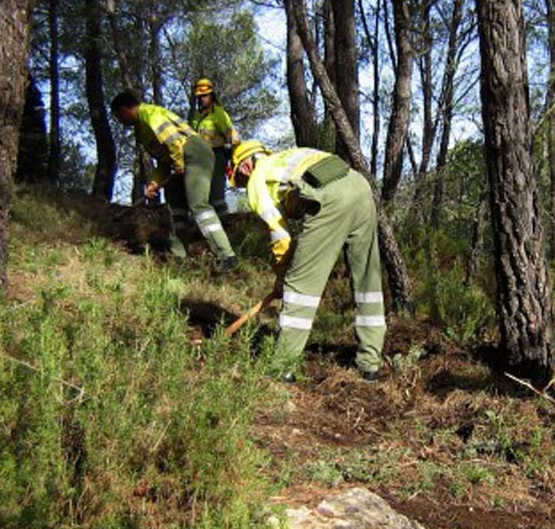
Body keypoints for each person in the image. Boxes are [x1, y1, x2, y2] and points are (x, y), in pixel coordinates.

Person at [229, 140, 385, 381]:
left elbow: (280, 236)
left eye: (240, 180)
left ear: (246, 167)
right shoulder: (289, 157)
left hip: (330, 198)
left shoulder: (258, 179)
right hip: (361, 187)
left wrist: (282, 277)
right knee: (368, 282)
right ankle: (370, 364)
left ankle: (282, 368)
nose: (243, 186)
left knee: (300, 287)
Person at [110, 90, 238, 271]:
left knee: (198, 204)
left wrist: (179, 163)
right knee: (176, 208)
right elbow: (163, 160)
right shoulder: (140, 130)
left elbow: (174, 142)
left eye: (118, 117)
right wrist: (154, 182)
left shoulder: (150, 114)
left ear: (124, 110)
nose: (120, 121)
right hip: (176, 159)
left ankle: (227, 255)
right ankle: (179, 256)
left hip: (194, 152)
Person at [190, 77, 239, 221]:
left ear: (211, 95)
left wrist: (235, 157)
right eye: (199, 97)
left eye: (204, 96)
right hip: (200, 159)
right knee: (201, 193)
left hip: (217, 155)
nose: (202, 99)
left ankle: (225, 222)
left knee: (216, 191)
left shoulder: (219, 113)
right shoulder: (196, 116)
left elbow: (232, 136)